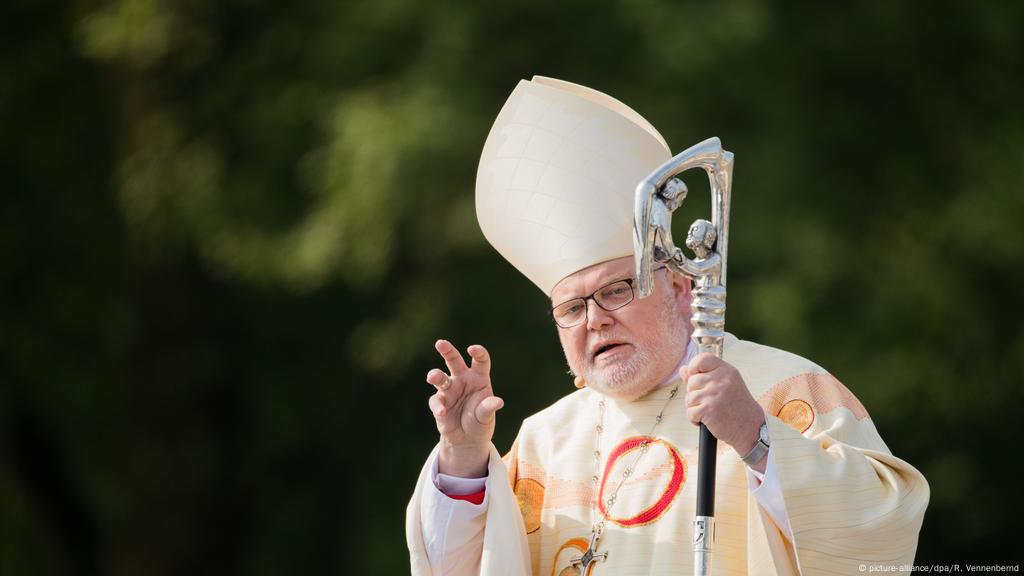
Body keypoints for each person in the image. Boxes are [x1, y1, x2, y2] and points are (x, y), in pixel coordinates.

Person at [405, 76, 929, 575]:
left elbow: (881, 534)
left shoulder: (781, 389)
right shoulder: (545, 440)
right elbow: (458, 568)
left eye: (615, 290)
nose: (594, 320)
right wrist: (464, 456)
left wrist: (756, 437)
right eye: (571, 308)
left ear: (680, 289)